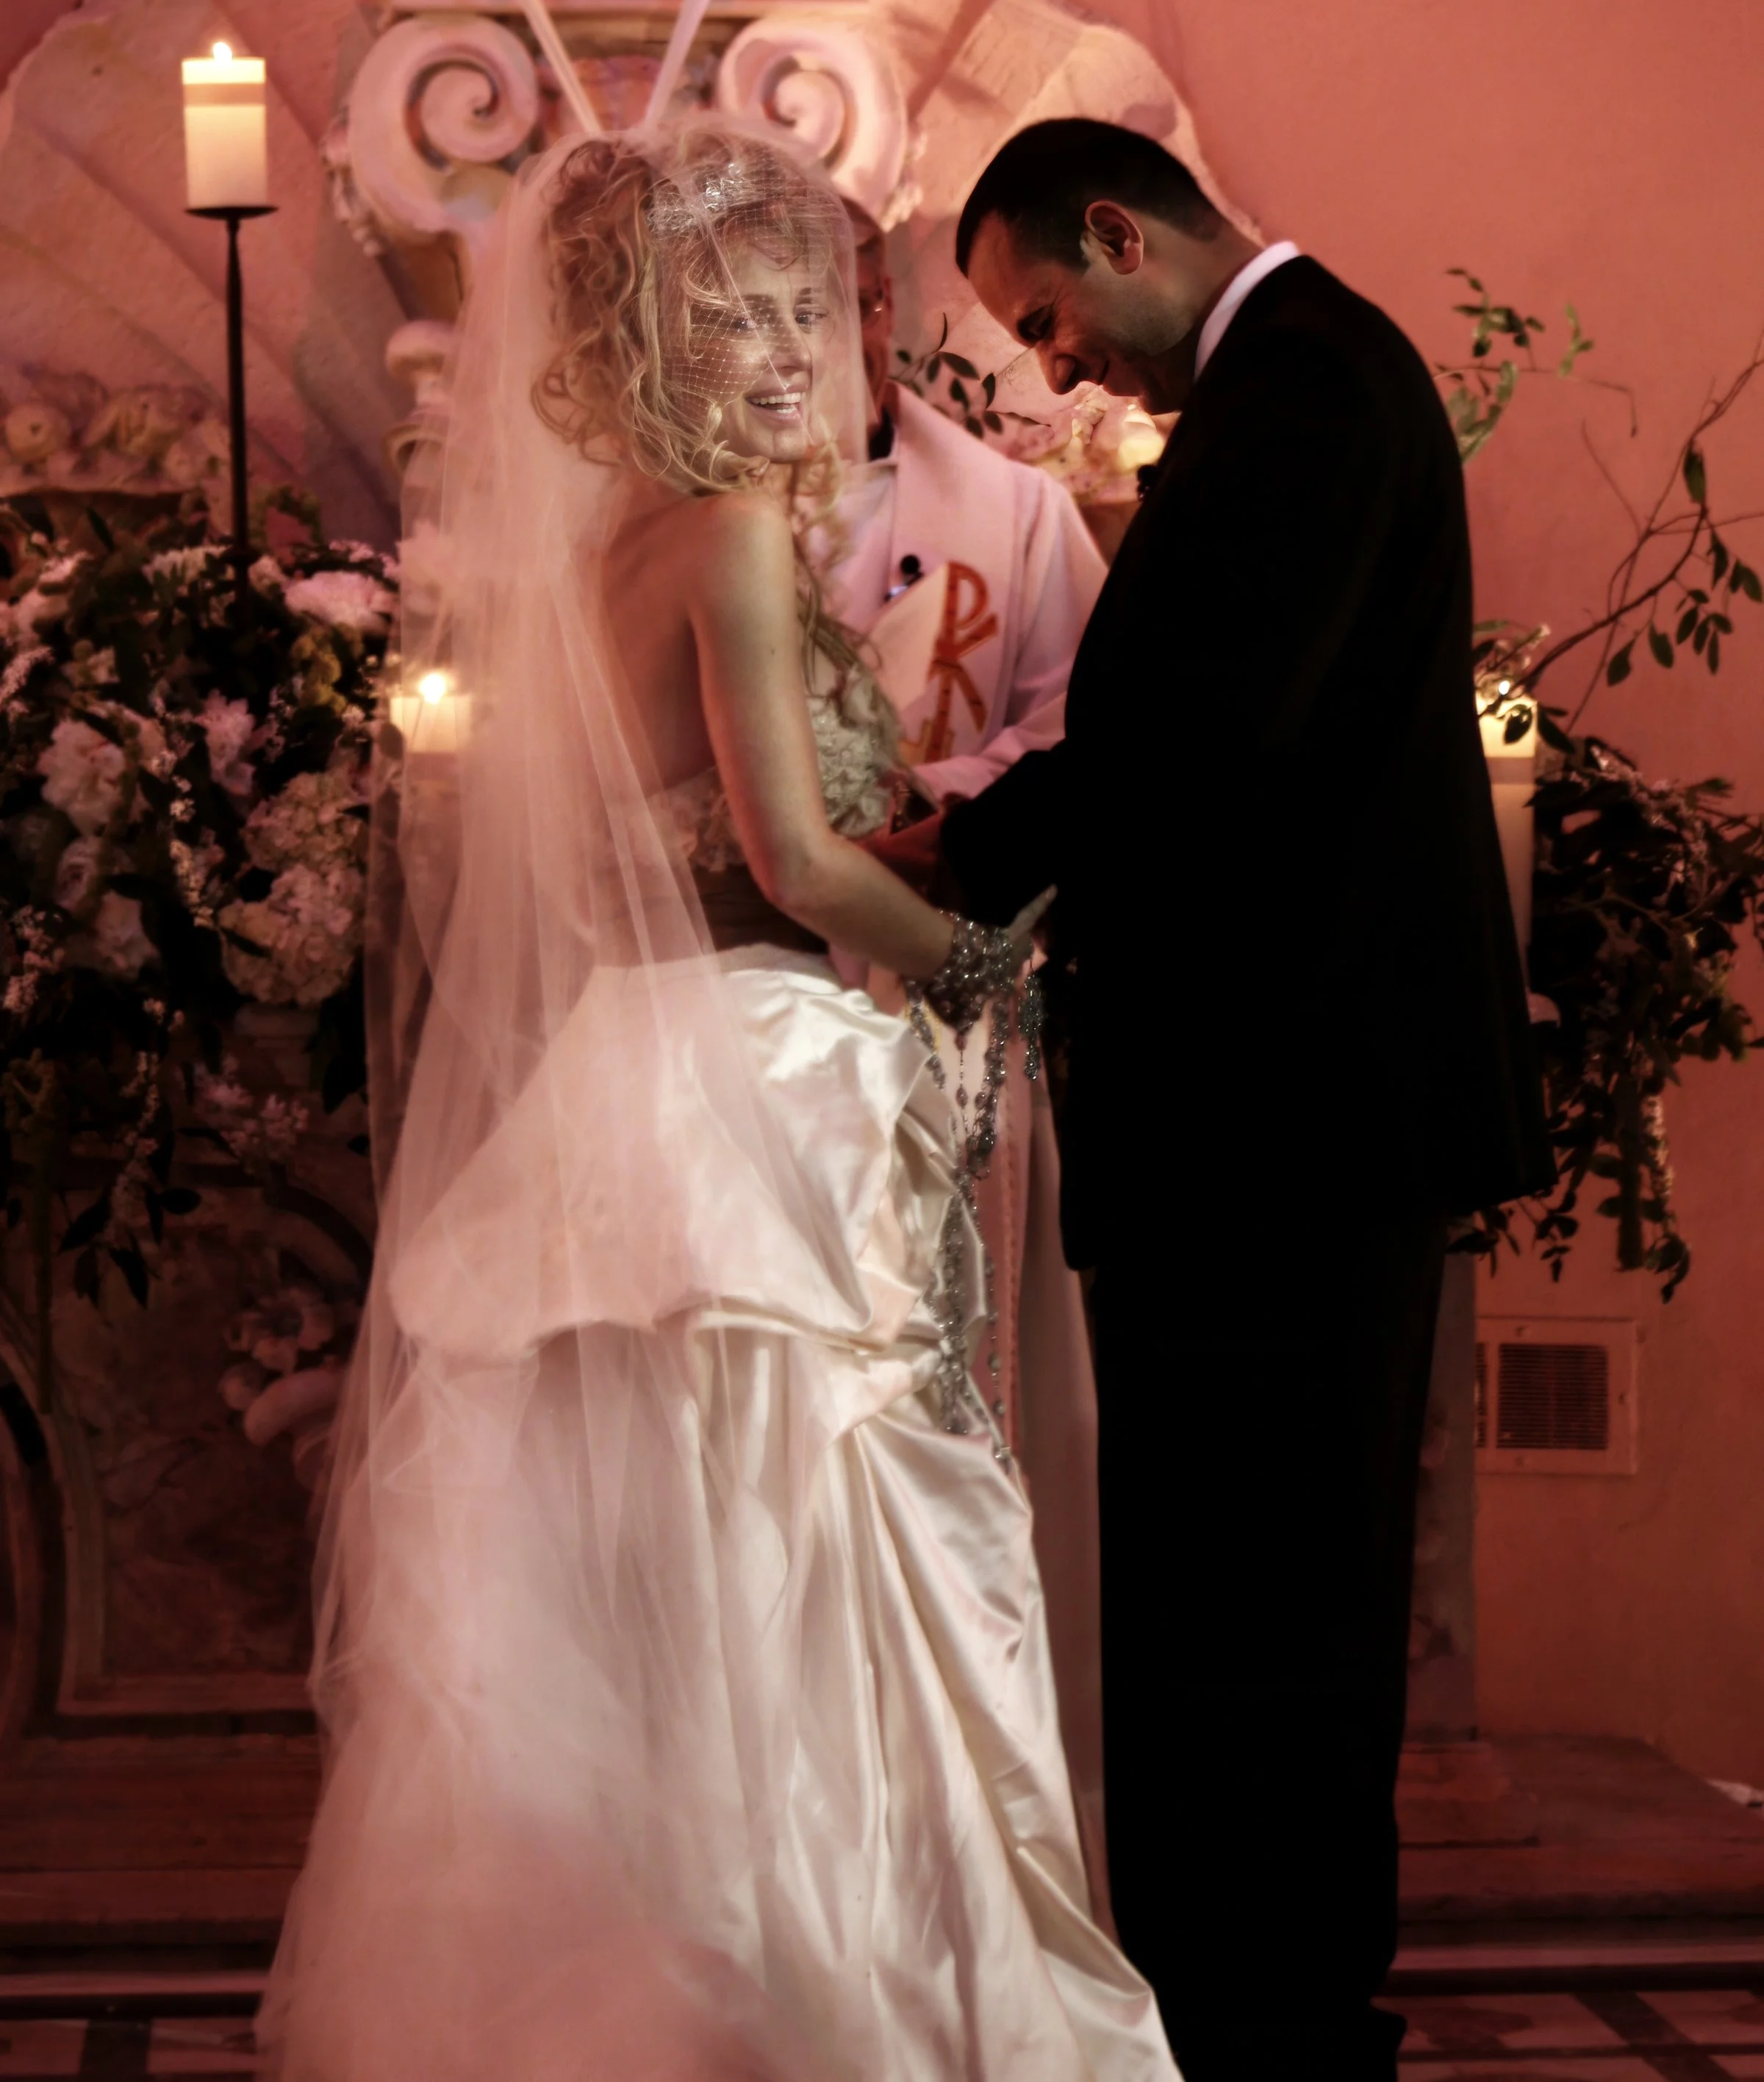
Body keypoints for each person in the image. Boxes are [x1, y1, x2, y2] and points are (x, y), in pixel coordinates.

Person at [256, 121, 1178, 2082]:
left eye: (805, 312)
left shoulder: (607, 552)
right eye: (749, 314)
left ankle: (647, 1980)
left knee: (659, 1560)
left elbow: (632, 857)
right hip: (764, 1069)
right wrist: (988, 977)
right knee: (807, 1541)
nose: (797, 349)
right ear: (678, 338)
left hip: (635, 1069)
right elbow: (801, 860)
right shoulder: (745, 543)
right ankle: (809, 1995)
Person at [893, 117, 1551, 2081]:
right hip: (1285, 1102)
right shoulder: (1303, 379)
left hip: (1295, 1108)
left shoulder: (1309, 389)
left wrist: (953, 848)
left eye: (1051, 316)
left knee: (1276, 1590)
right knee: (1249, 1578)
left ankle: (1269, 2015)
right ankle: (1237, 1992)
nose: (1060, 364)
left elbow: (1199, 733)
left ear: (1121, 230)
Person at [832, 199, 1116, 1905]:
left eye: (860, 300)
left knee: (978, 1427)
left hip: (956, 1013)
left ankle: (1010, 1857)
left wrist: (941, 814)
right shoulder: (703, 512)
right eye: (795, 304)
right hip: (765, 1023)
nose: (835, 338)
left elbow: (1092, 723)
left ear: (894, 306)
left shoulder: (1012, 511)